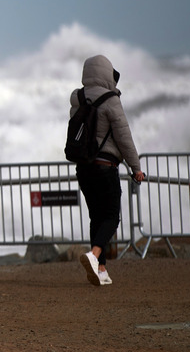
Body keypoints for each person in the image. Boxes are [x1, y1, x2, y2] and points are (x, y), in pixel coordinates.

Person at [70, 55, 145, 286]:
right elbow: (124, 137)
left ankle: (100, 269)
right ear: (105, 73)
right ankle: (93, 255)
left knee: (96, 217)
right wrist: (136, 167)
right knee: (112, 216)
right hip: (105, 167)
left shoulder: (78, 98)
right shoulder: (111, 100)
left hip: (83, 168)